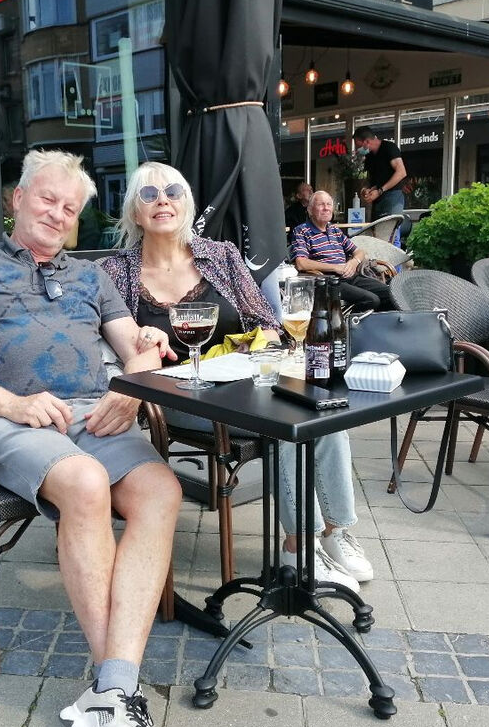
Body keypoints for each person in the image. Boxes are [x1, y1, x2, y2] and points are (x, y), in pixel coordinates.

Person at [0, 150, 180, 727]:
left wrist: (133, 381)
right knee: (86, 483)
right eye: (47, 199)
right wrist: (13, 404)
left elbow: (139, 350)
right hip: (6, 419)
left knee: (161, 490)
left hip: (93, 413)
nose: (58, 214)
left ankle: (111, 691)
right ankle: (119, 696)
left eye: (70, 208)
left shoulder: (92, 277)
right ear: (17, 198)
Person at [101, 162, 373, 591]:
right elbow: (113, 340)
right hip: (177, 394)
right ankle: (299, 547)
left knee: (321, 409)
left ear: (187, 203)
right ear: (135, 211)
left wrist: (257, 344)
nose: (162, 201)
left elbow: (267, 322)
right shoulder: (115, 271)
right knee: (286, 424)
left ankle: (335, 533)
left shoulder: (221, 255)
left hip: (244, 379)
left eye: (172, 191)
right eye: (148, 195)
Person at [290, 190, 394, 312]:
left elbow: (360, 252)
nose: (326, 208)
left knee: (391, 294)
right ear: (310, 210)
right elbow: (301, 263)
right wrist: (335, 268)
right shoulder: (302, 231)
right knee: (372, 300)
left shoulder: (334, 230)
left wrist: (354, 262)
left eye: (329, 204)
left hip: (350, 276)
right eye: (321, 204)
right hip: (329, 281)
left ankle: (376, 323)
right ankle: (346, 322)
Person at [353, 126, 407, 219]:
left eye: (359, 146)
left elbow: (401, 172)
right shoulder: (369, 156)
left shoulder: (389, 147)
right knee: (376, 227)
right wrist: (366, 190)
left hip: (392, 196)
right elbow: (369, 178)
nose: (358, 149)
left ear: (367, 142)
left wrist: (380, 191)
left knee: (390, 226)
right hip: (378, 199)